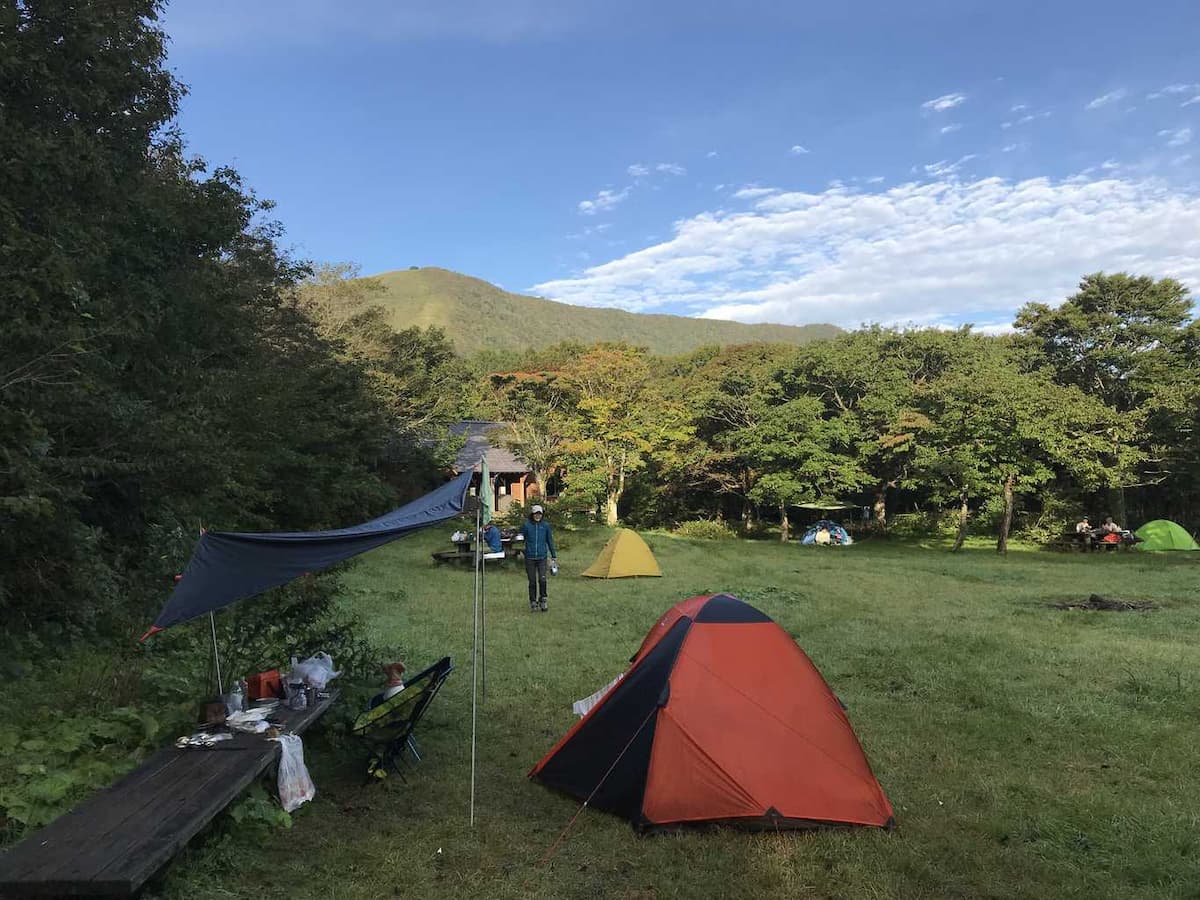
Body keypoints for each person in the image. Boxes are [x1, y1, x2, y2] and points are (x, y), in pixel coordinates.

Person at [519, 504, 557, 612]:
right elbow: (521, 538)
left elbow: (550, 540)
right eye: (536, 513)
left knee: (542, 579)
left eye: (539, 514)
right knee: (532, 581)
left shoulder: (545, 526)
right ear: (532, 514)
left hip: (542, 557)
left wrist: (553, 555)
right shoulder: (526, 526)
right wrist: (522, 550)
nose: (538, 516)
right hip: (530, 557)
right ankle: (533, 601)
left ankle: (543, 600)